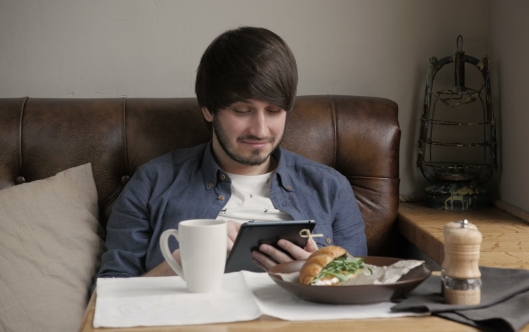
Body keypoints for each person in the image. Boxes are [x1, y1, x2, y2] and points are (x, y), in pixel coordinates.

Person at [97, 26, 367, 279]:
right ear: (208, 109)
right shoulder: (152, 184)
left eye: (273, 111)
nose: (260, 130)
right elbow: (107, 296)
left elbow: (360, 289)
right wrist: (178, 263)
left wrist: (319, 277)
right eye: (242, 111)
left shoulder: (329, 188)